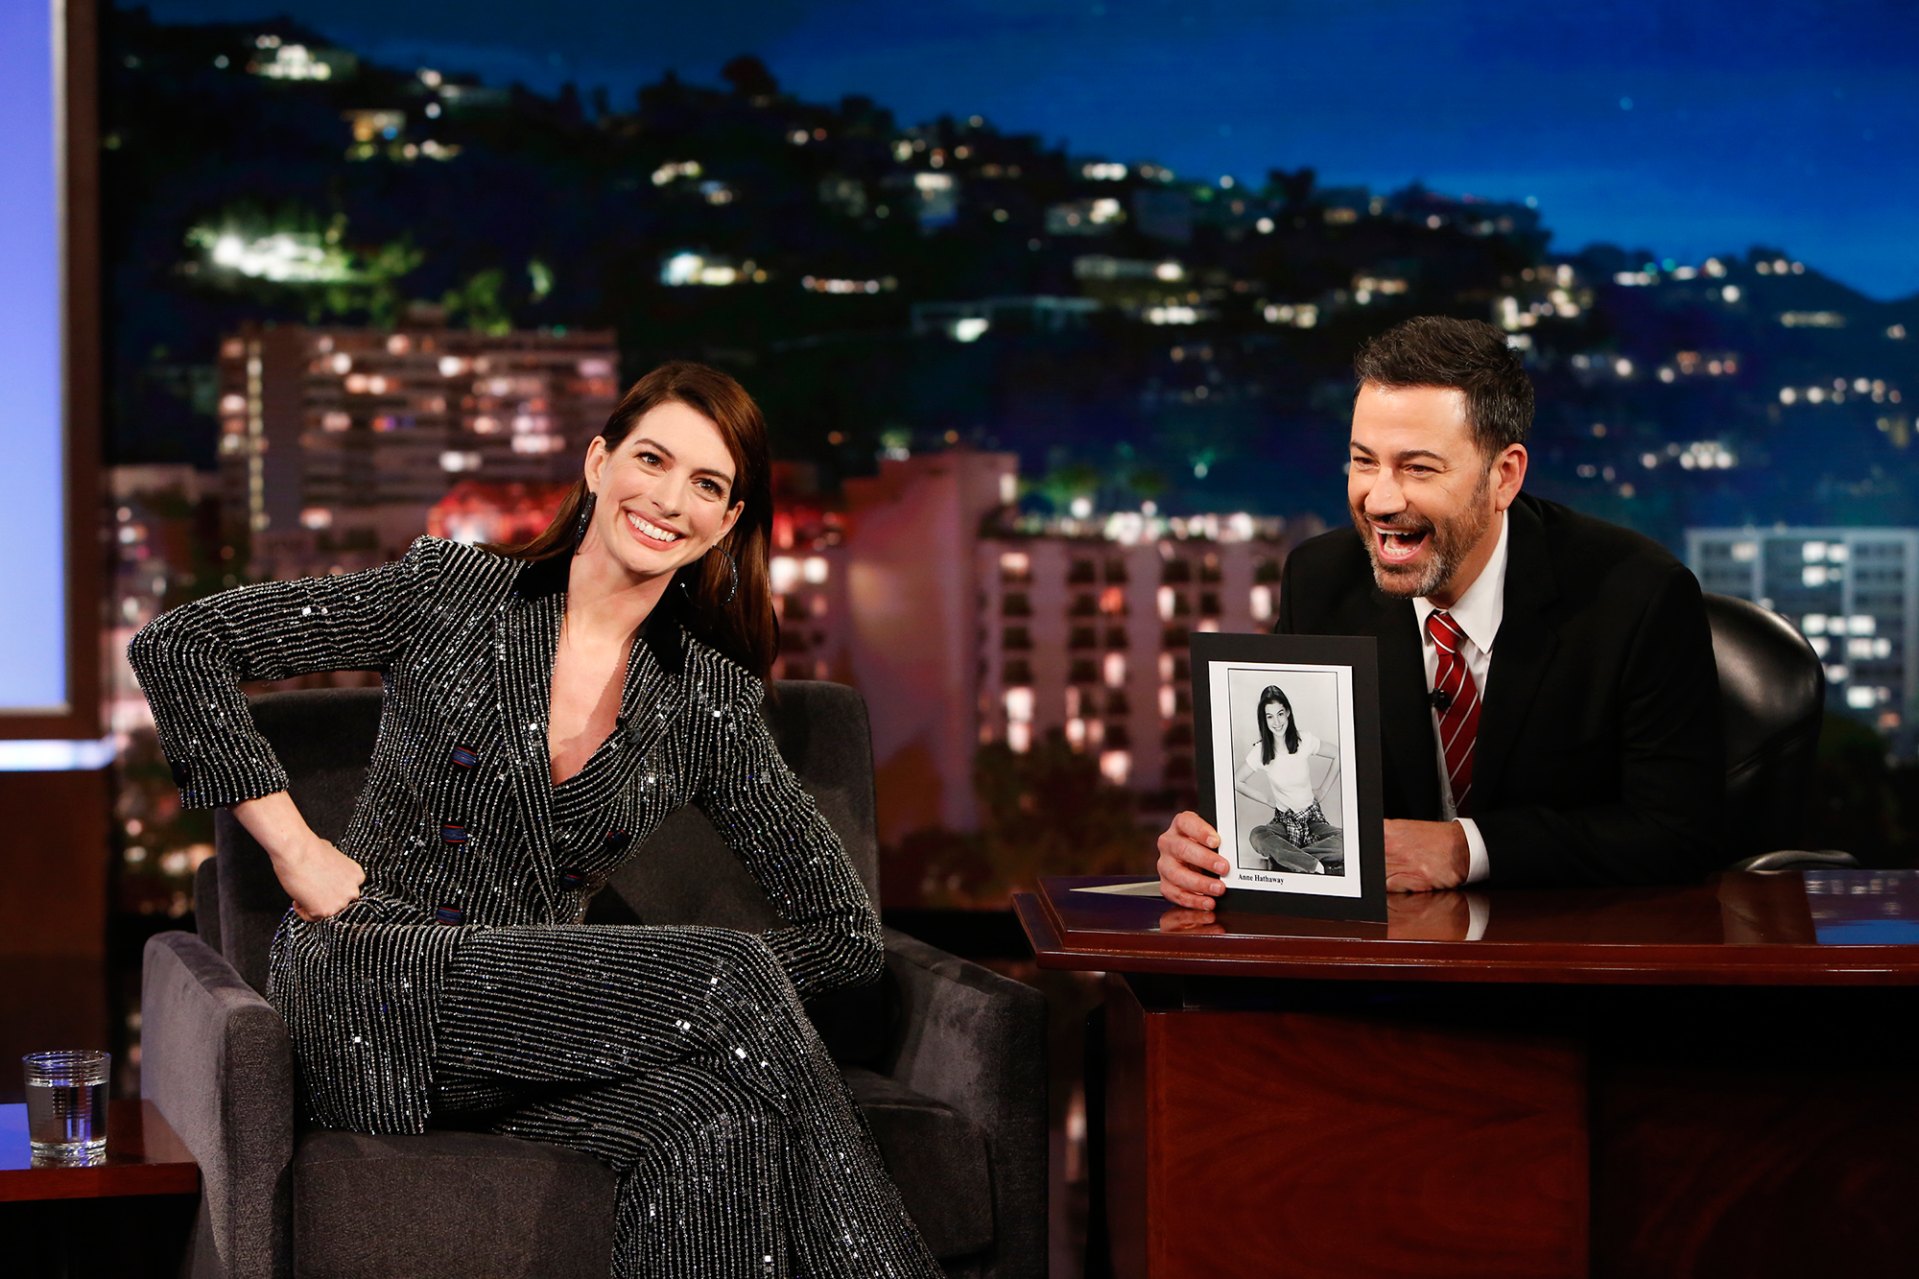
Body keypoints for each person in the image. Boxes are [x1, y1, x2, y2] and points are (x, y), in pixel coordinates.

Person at [130, 363, 940, 1278]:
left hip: (531, 1033)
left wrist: (622, 994)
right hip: (369, 977)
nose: (669, 499)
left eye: (706, 484)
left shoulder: (705, 701)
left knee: (722, 1120)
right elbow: (180, 644)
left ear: (726, 521)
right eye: (652, 459)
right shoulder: (452, 592)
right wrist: (296, 850)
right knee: (729, 972)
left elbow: (843, 933)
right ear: (598, 463)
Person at [1158, 315, 1724, 906]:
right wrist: (1207, 852)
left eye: (1418, 468)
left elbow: (1678, 833)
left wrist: (1466, 849)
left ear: (1503, 477)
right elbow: (1308, 791)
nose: (1380, 500)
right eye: (1364, 462)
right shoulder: (1319, 580)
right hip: (1395, 947)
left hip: (1572, 941)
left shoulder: (1638, 596)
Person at [1238, 684, 1344, 874]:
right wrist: (1266, 799)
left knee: (1346, 842)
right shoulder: (1260, 751)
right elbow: (1237, 781)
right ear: (1264, 720)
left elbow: (1339, 754)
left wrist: (1322, 790)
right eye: (1270, 716)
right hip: (1284, 823)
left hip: (1312, 820)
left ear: (1287, 712)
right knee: (1257, 835)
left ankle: (1289, 859)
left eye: (1280, 714)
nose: (1277, 722)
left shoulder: (1304, 740)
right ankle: (1310, 864)